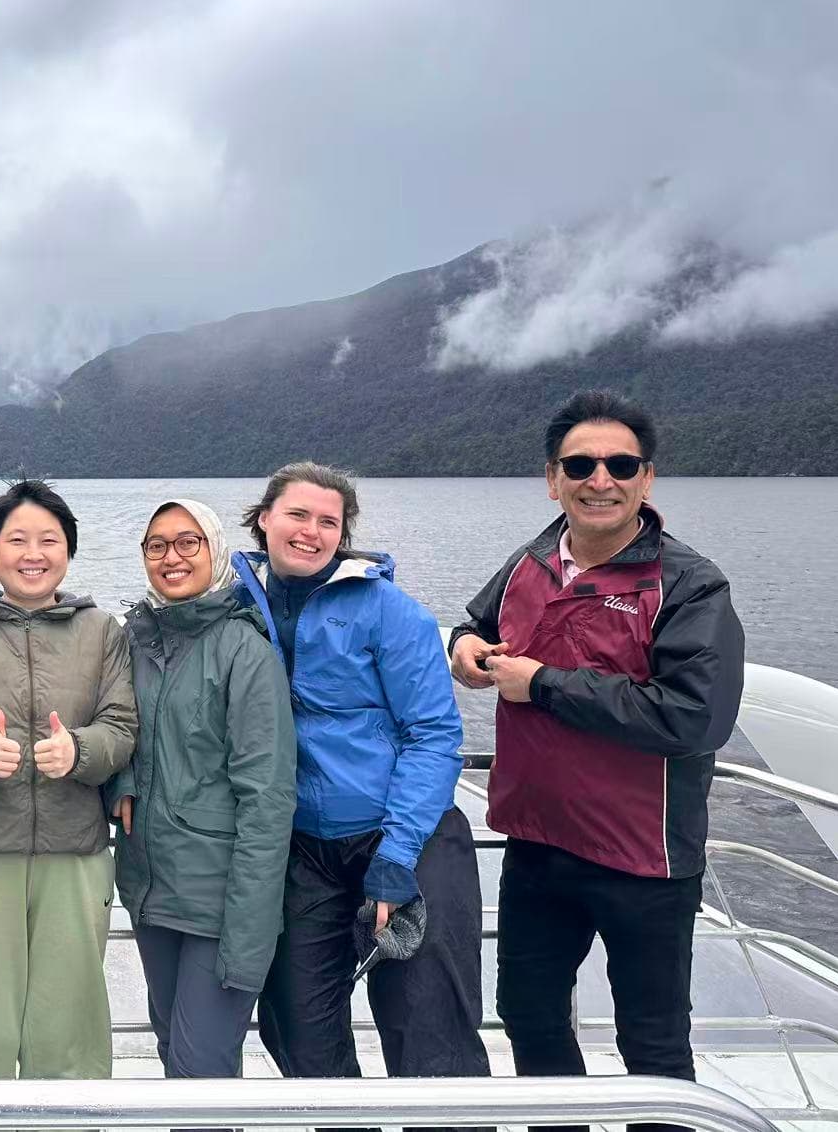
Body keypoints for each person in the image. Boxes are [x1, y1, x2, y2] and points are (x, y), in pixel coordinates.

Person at [450, 390, 744, 1132]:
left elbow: (695, 717)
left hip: (643, 859)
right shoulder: (530, 561)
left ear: (647, 479)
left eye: (621, 464)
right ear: (553, 479)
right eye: (580, 464)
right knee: (527, 1013)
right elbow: (476, 625)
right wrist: (465, 650)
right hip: (539, 843)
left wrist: (542, 684)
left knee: (652, 1044)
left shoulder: (688, 584)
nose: (600, 478)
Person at [231, 462, 489, 1119]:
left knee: (431, 1031)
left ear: (344, 534)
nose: (312, 531)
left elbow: (433, 735)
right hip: (304, 845)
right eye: (297, 514)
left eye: (329, 521)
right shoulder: (238, 608)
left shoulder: (388, 611)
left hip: (406, 834)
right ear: (264, 518)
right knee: (296, 1023)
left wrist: (397, 855)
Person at [0, 479, 137, 1079]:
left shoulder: (101, 631)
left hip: (74, 851)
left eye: (49, 539)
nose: (33, 553)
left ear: (68, 551)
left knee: (68, 1028)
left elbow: (122, 726)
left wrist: (79, 750)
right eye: (16, 539)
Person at [106, 498, 296, 1081]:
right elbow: (120, 727)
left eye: (188, 542)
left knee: (200, 1070)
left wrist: (249, 932)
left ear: (216, 551)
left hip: (219, 901)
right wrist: (123, 776)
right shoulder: (137, 640)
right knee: (172, 1053)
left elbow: (267, 798)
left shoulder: (244, 650)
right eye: (157, 545)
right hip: (149, 886)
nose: (172, 557)